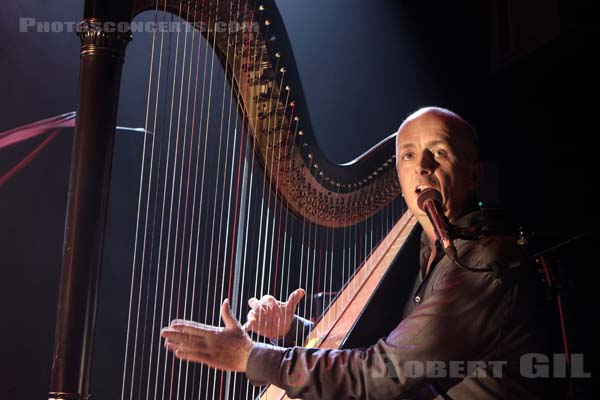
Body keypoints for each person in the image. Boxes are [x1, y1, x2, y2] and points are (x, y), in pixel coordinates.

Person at [161, 107, 548, 399]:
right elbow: (395, 342)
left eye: (440, 153)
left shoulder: (480, 261)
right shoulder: (428, 246)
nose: (422, 168)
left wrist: (251, 356)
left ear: (474, 175)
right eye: (408, 156)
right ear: (397, 176)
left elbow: (380, 371)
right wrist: (295, 329)